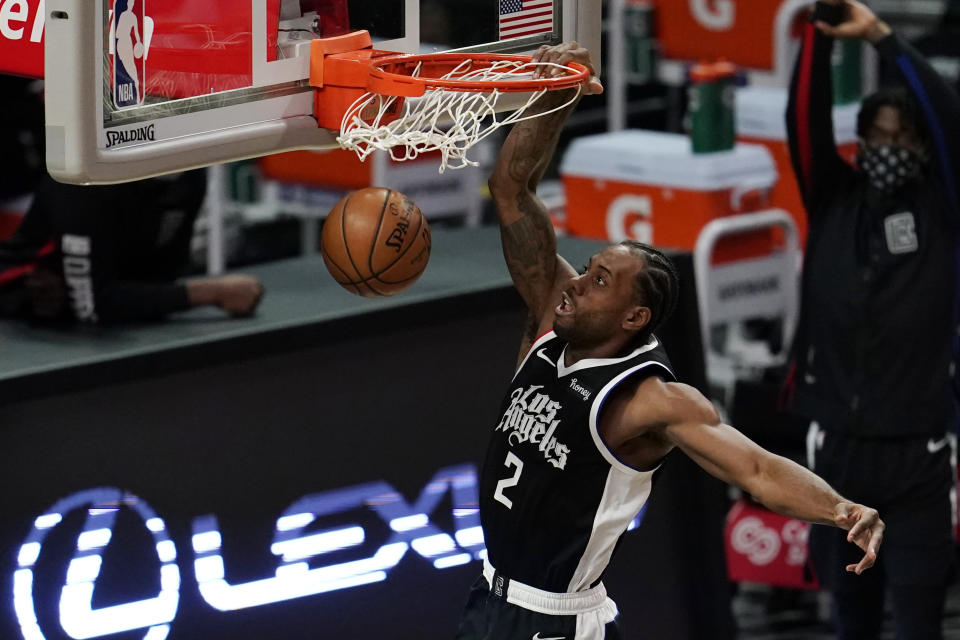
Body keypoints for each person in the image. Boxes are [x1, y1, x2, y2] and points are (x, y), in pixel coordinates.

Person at [454, 42, 884, 640]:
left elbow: (756, 468)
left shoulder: (651, 400)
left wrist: (842, 509)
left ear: (634, 318)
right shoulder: (555, 321)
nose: (576, 282)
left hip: (554, 621)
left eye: (599, 279)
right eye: (587, 268)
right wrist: (554, 88)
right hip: (487, 596)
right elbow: (511, 188)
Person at [785, 1, 960, 638]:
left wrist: (884, 39)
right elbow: (801, 119)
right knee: (849, 621)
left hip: (918, 456)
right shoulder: (831, 195)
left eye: (903, 138)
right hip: (835, 453)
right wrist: (818, 35)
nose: (890, 147)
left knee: (918, 622)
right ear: (861, 141)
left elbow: (946, 119)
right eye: (878, 136)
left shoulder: (945, 211)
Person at [0, 170, 263, 323]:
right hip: (16, 314)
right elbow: (93, 305)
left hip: (106, 326)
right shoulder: (83, 177)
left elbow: (163, 277)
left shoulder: (190, 175)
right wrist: (211, 293)